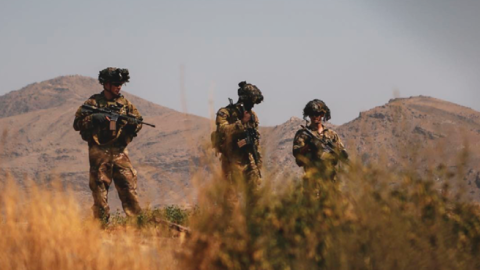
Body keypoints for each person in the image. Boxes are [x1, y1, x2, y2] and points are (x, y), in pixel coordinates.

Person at [73, 67, 143, 221]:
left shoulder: (126, 105)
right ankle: (101, 226)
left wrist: (132, 124)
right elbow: (77, 124)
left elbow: (139, 121)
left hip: (120, 153)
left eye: (121, 84)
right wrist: (94, 118)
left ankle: (138, 224)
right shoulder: (92, 103)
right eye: (116, 83)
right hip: (99, 153)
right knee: (99, 192)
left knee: (129, 189)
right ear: (106, 84)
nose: (119, 87)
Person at [213, 81, 264, 205]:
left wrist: (258, 161)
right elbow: (223, 130)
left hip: (249, 160)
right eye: (250, 102)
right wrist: (241, 123)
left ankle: (252, 223)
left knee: (254, 197)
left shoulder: (253, 116)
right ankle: (229, 224)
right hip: (232, 160)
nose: (252, 106)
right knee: (231, 197)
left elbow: (255, 139)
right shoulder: (226, 113)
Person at [292, 99, 348, 185]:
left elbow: (341, 150)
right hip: (312, 179)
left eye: (318, 114)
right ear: (309, 115)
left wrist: (342, 153)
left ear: (322, 115)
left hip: (330, 179)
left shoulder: (331, 134)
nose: (315, 116)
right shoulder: (303, 134)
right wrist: (309, 146)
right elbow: (296, 153)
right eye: (312, 114)